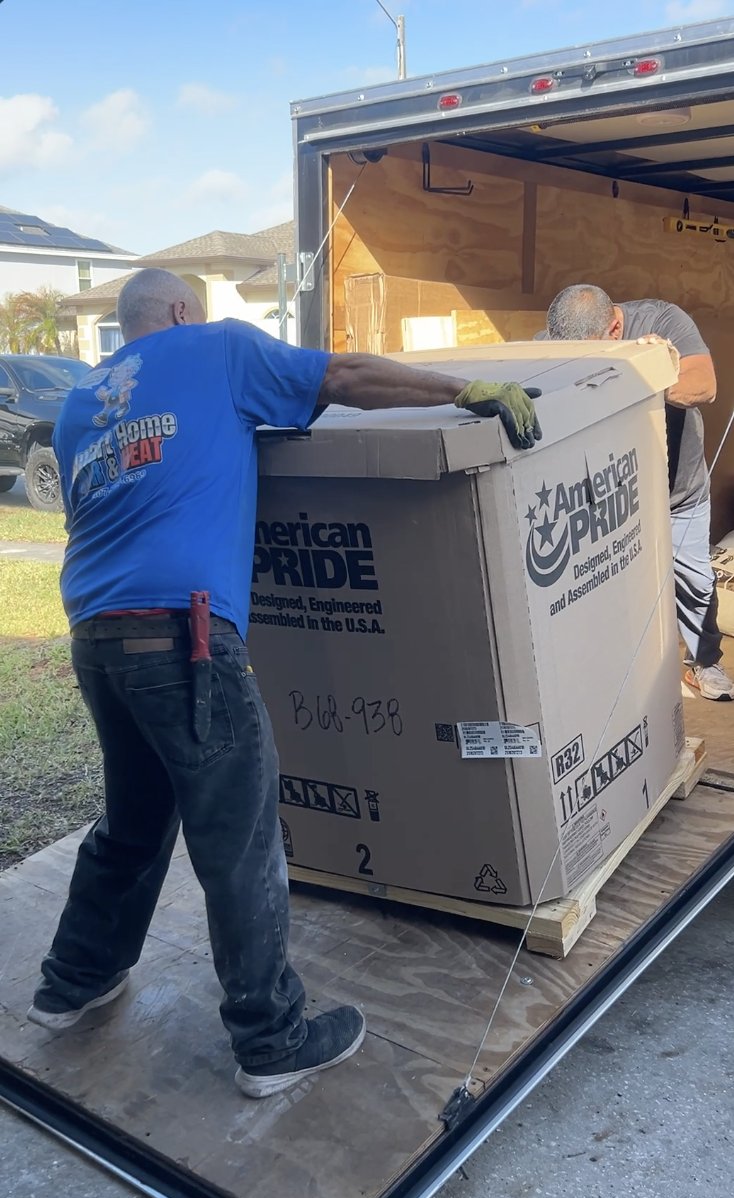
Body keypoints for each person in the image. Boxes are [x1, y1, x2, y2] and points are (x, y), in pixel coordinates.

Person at [27, 267, 542, 1100]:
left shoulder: (82, 404)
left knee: (133, 821)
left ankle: (71, 984)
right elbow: (341, 376)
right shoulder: (219, 348)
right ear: (186, 311)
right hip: (186, 635)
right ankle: (271, 1039)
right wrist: (464, 386)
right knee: (239, 838)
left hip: (97, 635)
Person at [544, 284, 733, 702]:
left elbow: (704, 385)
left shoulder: (663, 321)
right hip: (613, 495)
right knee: (608, 582)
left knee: (695, 581)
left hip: (678, 489)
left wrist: (646, 372)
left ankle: (704, 663)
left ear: (614, 327)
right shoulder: (561, 339)